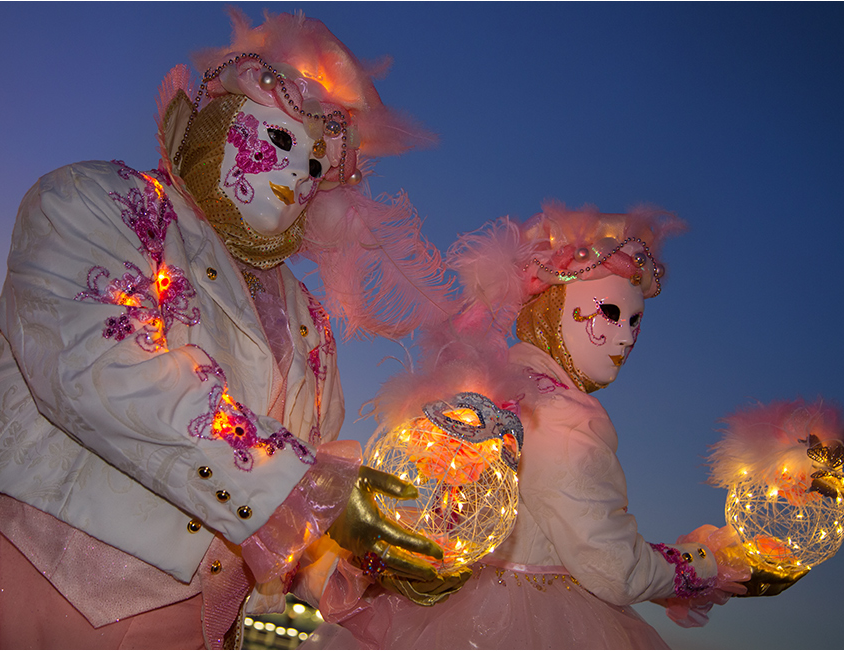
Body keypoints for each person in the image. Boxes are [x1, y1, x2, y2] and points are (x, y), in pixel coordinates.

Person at [0, 10, 456, 649]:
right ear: (217, 123)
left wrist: (376, 549)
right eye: (282, 142)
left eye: (316, 165)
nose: (296, 176)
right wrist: (311, 490)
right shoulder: (100, 203)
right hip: (56, 599)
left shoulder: (310, 324)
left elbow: (319, 471)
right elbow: (98, 368)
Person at [316, 202, 749, 649]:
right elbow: (615, 569)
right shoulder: (565, 416)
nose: (624, 338)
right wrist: (704, 564)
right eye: (611, 314)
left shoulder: (494, 388)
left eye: (636, 322)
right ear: (553, 308)